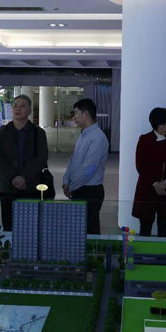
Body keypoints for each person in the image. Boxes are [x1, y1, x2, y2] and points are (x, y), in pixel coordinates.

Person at [0, 95, 48, 231]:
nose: (18, 109)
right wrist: (13, 178)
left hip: (31, 186)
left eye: (23, 106)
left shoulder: (38, 132)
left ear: (29, 111)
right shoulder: (1, 132)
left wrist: (24, 177)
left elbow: (41, 158)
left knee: (30, 226)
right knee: (9, 225)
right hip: (7, 187)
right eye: (15, 105)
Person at [131, 108, 166, 237]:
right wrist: (155, 184)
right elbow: (141, 165)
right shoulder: (144, 139)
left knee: (165, 225)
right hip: (147, 188)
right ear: (154, 124)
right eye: (163, 124)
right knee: (145, 225)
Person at [63, 98, 109, 235]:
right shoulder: (84, 134)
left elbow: (89, 169)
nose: (74, 117)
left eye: (76, 113)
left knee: (90, 232)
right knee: (77, 232)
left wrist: (71, 187)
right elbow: (73, 159)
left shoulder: (98, 137)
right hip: (78, 188)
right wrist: (66, 180)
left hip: (90, 191)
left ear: (86, 114)